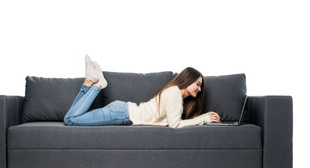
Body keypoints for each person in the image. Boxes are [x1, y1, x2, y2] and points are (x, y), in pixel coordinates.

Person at [63, 55, 221, 128]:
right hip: (121, 114)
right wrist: (204, 119)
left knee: (72, 117)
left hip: (121, 111)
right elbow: (175, 125)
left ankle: (88, 82)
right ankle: (97, 85)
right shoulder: (174, 93)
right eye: (198, 84)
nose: (199, 90)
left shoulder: (175, 94)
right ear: (188, 79)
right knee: (70, 120)